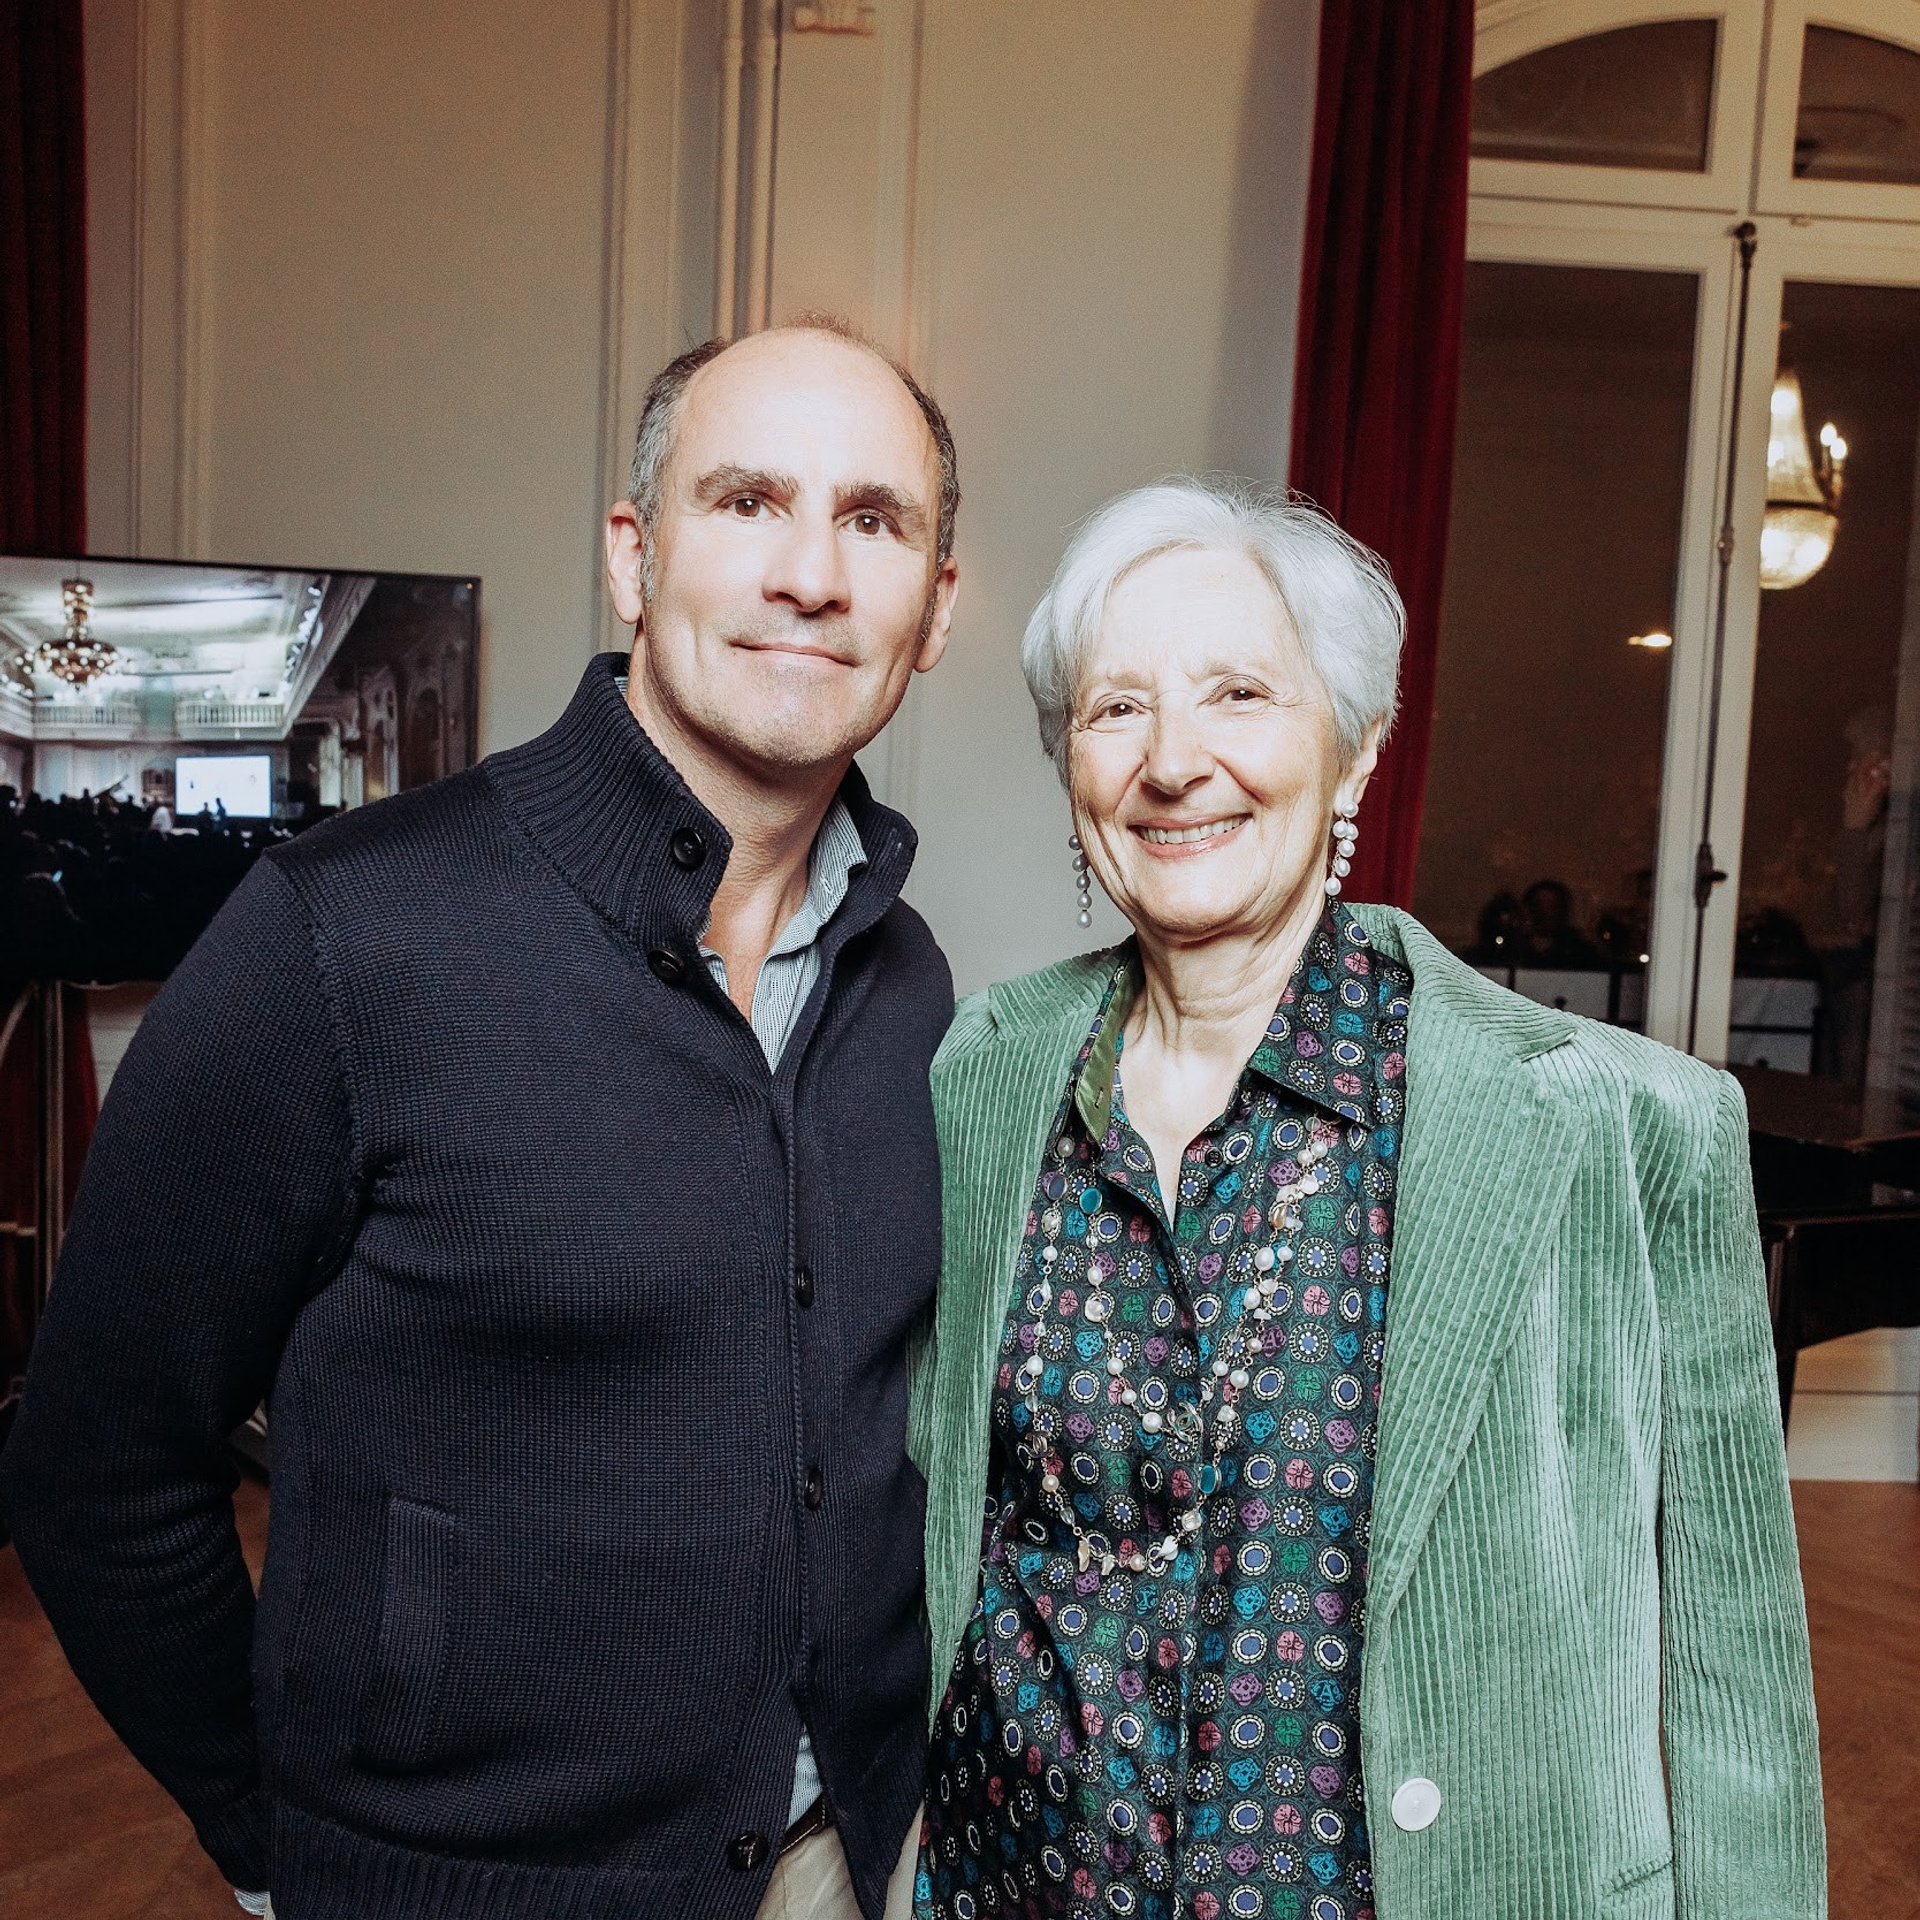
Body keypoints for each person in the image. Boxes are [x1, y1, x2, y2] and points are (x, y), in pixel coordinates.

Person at [1, 318, 959, 1920]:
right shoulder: (345, 936)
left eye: (876, 521)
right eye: (746, 504)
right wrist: (277, 1845)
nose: (814, 574)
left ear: (934, 605)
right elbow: (95, 1465)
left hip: (840, 1871)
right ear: (632, 558)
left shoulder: (910, 981)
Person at [905, 478, 1823, 1920]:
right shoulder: (984, 1075)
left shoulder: (1620, 1126)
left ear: (1356, 752)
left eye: (1238, 695)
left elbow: (1735, 1670)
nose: (1174, 761)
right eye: (1115, 708)